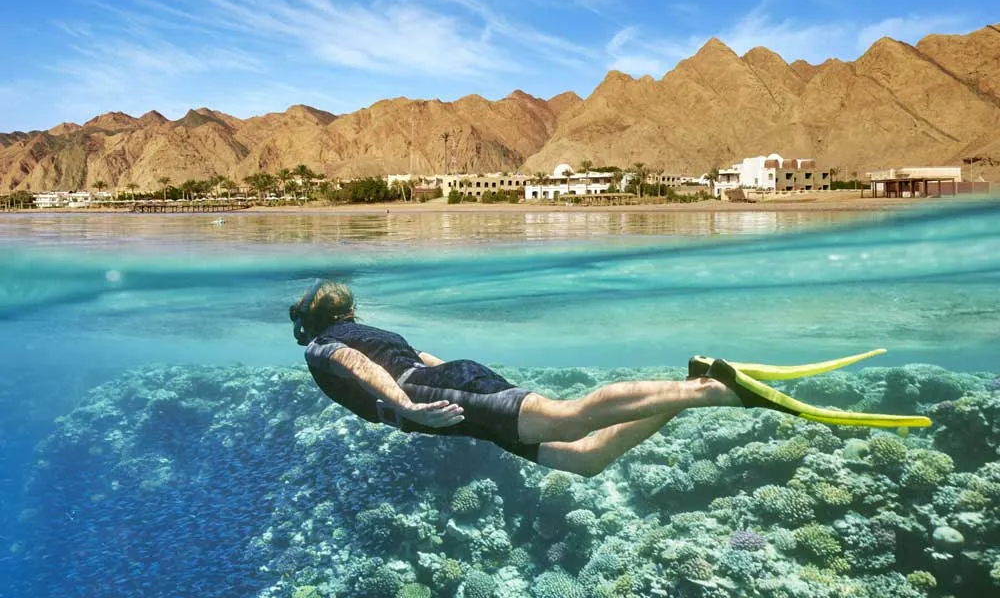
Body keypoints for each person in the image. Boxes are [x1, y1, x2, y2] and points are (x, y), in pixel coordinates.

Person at [291, 279, 931, 477]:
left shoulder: (324, 347)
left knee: (570, 416)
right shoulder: (363, 329)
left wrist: (407, 404)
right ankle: (695, 387)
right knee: (584, 459)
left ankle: (717, 391)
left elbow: (362, 368)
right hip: (450, 391)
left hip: (439, 401)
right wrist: (423, 394)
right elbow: (424, 356)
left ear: (313, 323)